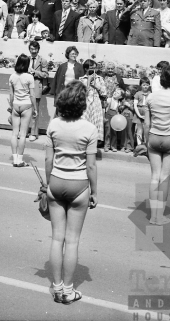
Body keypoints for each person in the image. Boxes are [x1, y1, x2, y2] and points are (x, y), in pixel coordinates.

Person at [45, 80, 97, 305]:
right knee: (72, 241)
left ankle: (56, 288)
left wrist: (48, 184)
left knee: (57, 238)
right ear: (82, 104)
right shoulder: (89, 129)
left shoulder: (54, 125)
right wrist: (94, 191)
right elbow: (91, 166)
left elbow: (48, 159)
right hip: (78, 186)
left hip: (56, 182)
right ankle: (68, 290)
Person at [143, 66, 170, 225]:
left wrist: (146, 142)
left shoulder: (151, 97)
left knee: (155, 177)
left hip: (154, 137)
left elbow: (146, 124)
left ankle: (153, 215)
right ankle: (159, 216)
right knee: (164, 178)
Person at [8, 54, 37, 167]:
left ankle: (15, 159)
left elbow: (11, 94)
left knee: (14, 134)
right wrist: (35, 108)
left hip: (16, 104)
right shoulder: (29, 77)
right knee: (23, 134)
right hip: (26, 105)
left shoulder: (12, 77)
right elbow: (32, 95)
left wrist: (11, 106)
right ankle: (20, 159)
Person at [79, 59, 106, 143]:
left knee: (96, 121)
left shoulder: (100, 78)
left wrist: (96, 85)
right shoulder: (81, 79)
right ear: (86, 69)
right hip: (85, 103)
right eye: (91, 68)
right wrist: (88, 83)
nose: (94, 70)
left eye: (95, 68)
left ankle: (95, 141)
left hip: (96, 103)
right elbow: (81, 94)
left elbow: (104, 93)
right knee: (84, 120)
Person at [27, 41, 48, 141]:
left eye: (35, 49)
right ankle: (24, 131)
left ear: (38, 50)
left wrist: (34, 72)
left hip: (36, 87)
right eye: (31, 49)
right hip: (25, 87)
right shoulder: (26, 59)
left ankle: (34, 133)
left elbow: (45, 74)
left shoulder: (43, 60)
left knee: (35, 111)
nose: (33, 51)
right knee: (25, 110)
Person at [133, 76, 152, 149]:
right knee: (139, 129)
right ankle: (139, 145)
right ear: (140, 85)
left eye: (147, 85)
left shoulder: (150, 94)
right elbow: (135, 105)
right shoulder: (138, 93)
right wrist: (139, 115)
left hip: (147, 112)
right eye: (144, 85)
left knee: (147, 129)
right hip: (139, 111)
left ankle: (147, 145)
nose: (145, 86)